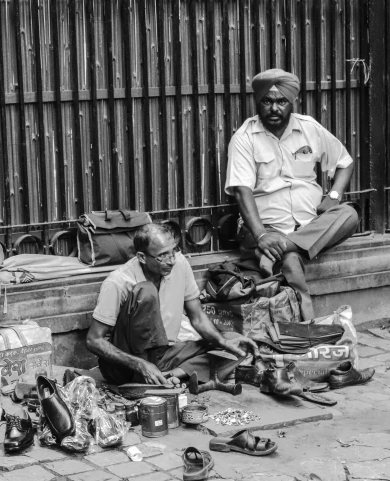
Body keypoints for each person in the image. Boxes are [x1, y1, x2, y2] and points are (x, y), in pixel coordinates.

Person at [225, 68, 359, 320]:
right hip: (265, 227)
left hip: (309, 223)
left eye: (281, 101)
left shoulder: (310, 128)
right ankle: (307, 322)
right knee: (290, 259)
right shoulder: (244, 137)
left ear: (291, 102)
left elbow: (345, 161)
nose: (274, 108)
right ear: (258, 102)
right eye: (267, 101)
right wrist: (262, 235)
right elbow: (242, 191)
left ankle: (282, 248)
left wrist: (333, 196)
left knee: (349, 214)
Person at [86, 223, 257, 386]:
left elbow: (197, 317)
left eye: (173, 251)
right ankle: (153, 374)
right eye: (163, 255)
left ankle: (170, 375)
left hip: (163, 354)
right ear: (142, 257)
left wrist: (222, 341)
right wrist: (140, 364)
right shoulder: (118, 282)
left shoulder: (180, 264)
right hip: (126, 366)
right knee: (146, 291)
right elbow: (94, 341)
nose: (171, 260)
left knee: (236, 344)